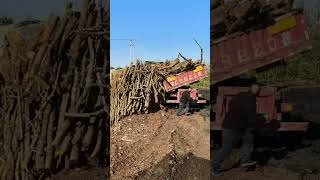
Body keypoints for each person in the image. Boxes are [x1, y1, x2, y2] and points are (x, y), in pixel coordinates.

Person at [212, 84, 262, 176]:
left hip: (229, 124)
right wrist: (262, 119)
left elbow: (231, 104)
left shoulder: (240, 95)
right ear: (258, 92)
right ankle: (214, 166)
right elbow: (252, 119)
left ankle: (245, 160)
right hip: (233, 127)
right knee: (226, 149)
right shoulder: (252, 100)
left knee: (248, 137)